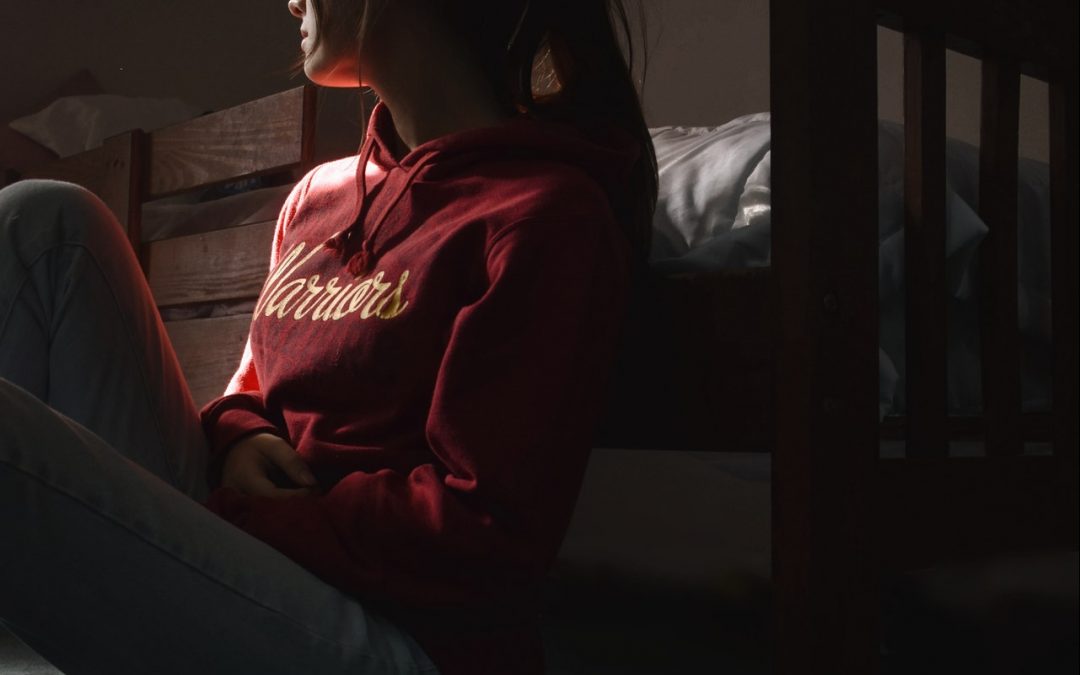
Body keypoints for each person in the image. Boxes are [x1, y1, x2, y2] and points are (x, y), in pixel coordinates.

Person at [0, 0, 657, 673]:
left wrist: (236, 517)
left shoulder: (541, 215)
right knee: (44, 222)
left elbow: (482, 532)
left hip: (401, 635)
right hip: (263, 560)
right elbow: (250, 390)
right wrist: (240, 435)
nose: (291, 1)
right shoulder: (318, 197)